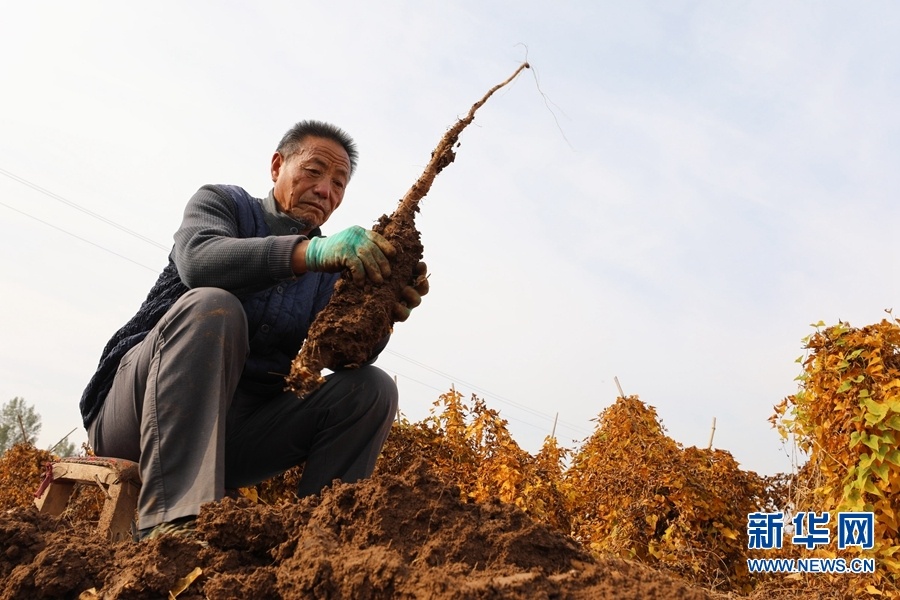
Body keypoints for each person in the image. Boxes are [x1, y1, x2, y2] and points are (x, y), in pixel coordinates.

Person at [79, 120, 427, 540]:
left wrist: (378, 311)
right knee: (214, 306)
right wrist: (309, 252)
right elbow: (199, 261)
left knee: (371, 389)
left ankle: (320, 542)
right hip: (136, 412)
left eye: (338, 183)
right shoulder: (223, 204)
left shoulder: (330, 273)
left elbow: (341, 353)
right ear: (277, 165)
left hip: (236, 439)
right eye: (314, 171)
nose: (325, 190)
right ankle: (172, 525)